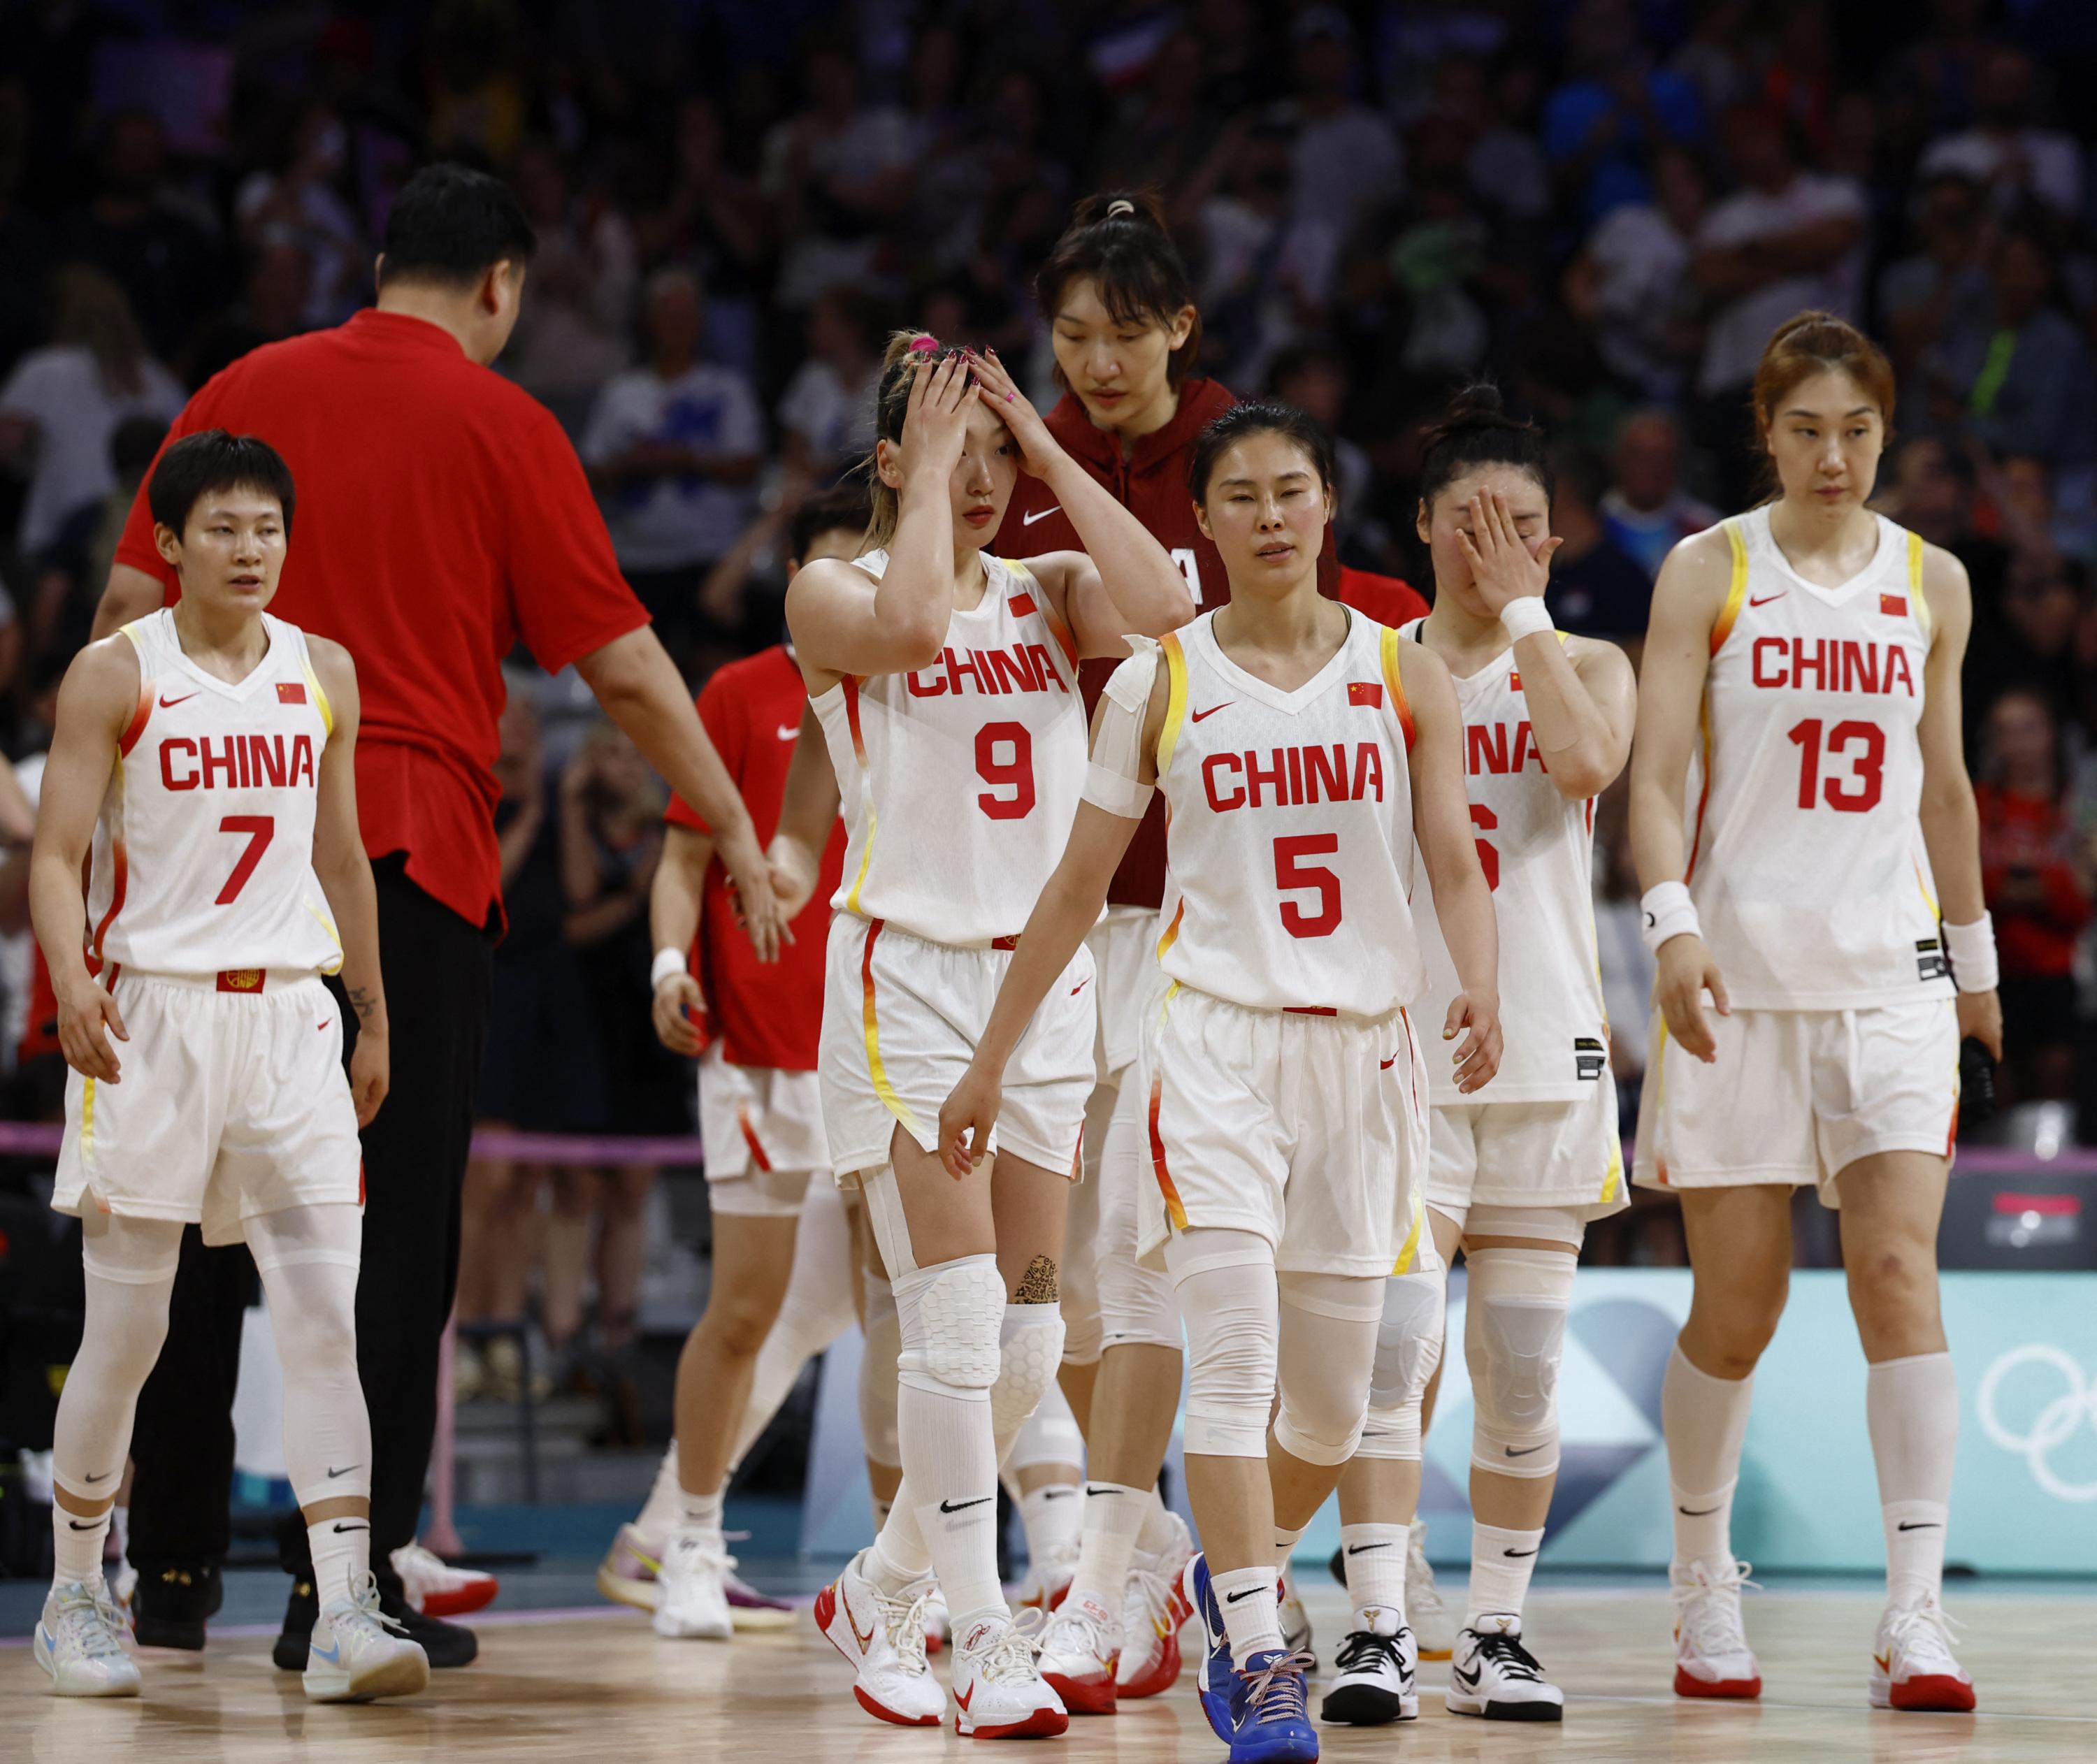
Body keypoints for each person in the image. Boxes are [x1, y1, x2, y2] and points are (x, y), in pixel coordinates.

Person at [88, 163, 787, 1672]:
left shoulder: (241, 382)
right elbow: (616, 660)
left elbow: (118, 625)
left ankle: (171, 1572)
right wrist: (729, 819)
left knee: (184, 1216)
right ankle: (343, 1588)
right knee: (387, 1233)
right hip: (403, 847)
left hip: (210, 847)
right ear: (503, 289)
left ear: (381, 260)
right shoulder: (505, 420)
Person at [941, 402, 1500, 1764]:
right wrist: (993, 1054)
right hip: (1211, 1046)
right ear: (1204, 521)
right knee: (1233, 1368)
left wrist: (1476, 983)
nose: (1267, 514)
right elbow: (1076, 885)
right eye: (1239, 495)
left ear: (1328, 506)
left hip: (1367, 1054)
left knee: (1330, 1403)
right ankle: (1258, 1655)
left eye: (1290, 489)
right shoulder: (1160, 680)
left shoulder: (1403, 668)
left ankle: (1209, 1573)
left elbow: (1455, 859)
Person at [997, 191, 1426, 1707]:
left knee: (1234, 1330)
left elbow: (1169, 605)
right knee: (1099, 1290)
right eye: (1070, 333)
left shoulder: (1245, 474)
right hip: (1103, 926)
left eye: (1124, 329)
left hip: (1249, 956)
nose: (1095, 359)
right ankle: (1117, 1581)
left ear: (1185, 328)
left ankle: (1146, 1582)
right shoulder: (1014, 455)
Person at [784, 336, 1193, 1737]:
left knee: (1029, 1340)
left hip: (1048, 991)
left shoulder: (1052, 587)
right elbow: (907, 630)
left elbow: (1169, 608)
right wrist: (934, 485)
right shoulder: (831, 590)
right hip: (908, 979)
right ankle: (984, 1631)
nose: (983, 481)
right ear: (892, 463)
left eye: (997, 458)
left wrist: (1042, 433)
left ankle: (883, 1584)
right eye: (951, 451)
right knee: (956, 1321)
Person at [1629, 312, 2003, 1712]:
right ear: (1766, 434)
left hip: (1890, 976)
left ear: (1885, 433)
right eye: (1806, 429)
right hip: (1738, 971)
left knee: (1899, 1273)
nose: (1832, 453)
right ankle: (1702, 1585)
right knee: (1738, 1305)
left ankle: (1917, 1611)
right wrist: (1668, 926)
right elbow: (1658, 773)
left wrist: (1977, 968)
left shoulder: (1935, 581)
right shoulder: (1707, 569)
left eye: (1855, 429)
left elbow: (1949, 788)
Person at [28, 431, 423, 1702]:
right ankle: (78, 1594)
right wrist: (72, 986)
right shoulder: (112, 674)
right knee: (130, 1330)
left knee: (323, 1324)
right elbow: (52, 855)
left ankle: (351, 1607)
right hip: (154, 1017)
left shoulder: (326, 672)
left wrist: (369, 1011)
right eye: (224, 530)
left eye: (268, 530)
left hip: (291, 1023)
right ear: (169, 543)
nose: (249, 550)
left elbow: (346, 862)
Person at [1323, 387, 1636, 1728]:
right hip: (1407, 1052)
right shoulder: (1371, 662)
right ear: (1421, 527)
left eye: (1518, 526)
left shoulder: (1589, 662)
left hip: (1550, 1052)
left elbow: (1584, 765)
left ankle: (1498, 1629)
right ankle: (1380, 1625)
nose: (1489, 544)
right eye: (1466, 523)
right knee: (1392, 1357)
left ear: (1554, 544)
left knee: (1521, 1369)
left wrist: (1525, 622)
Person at [596, 483, 867, 1636]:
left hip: (891, 1049)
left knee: (916, 1316)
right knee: (750, 1310)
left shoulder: (933, 690)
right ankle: (684, 1543)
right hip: (762, 1051)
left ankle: (668, 1538)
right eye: (836, 569)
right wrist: (668, 966)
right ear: (796, 582)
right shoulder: (740, 692)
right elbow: (685, 863)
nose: (857, 590)